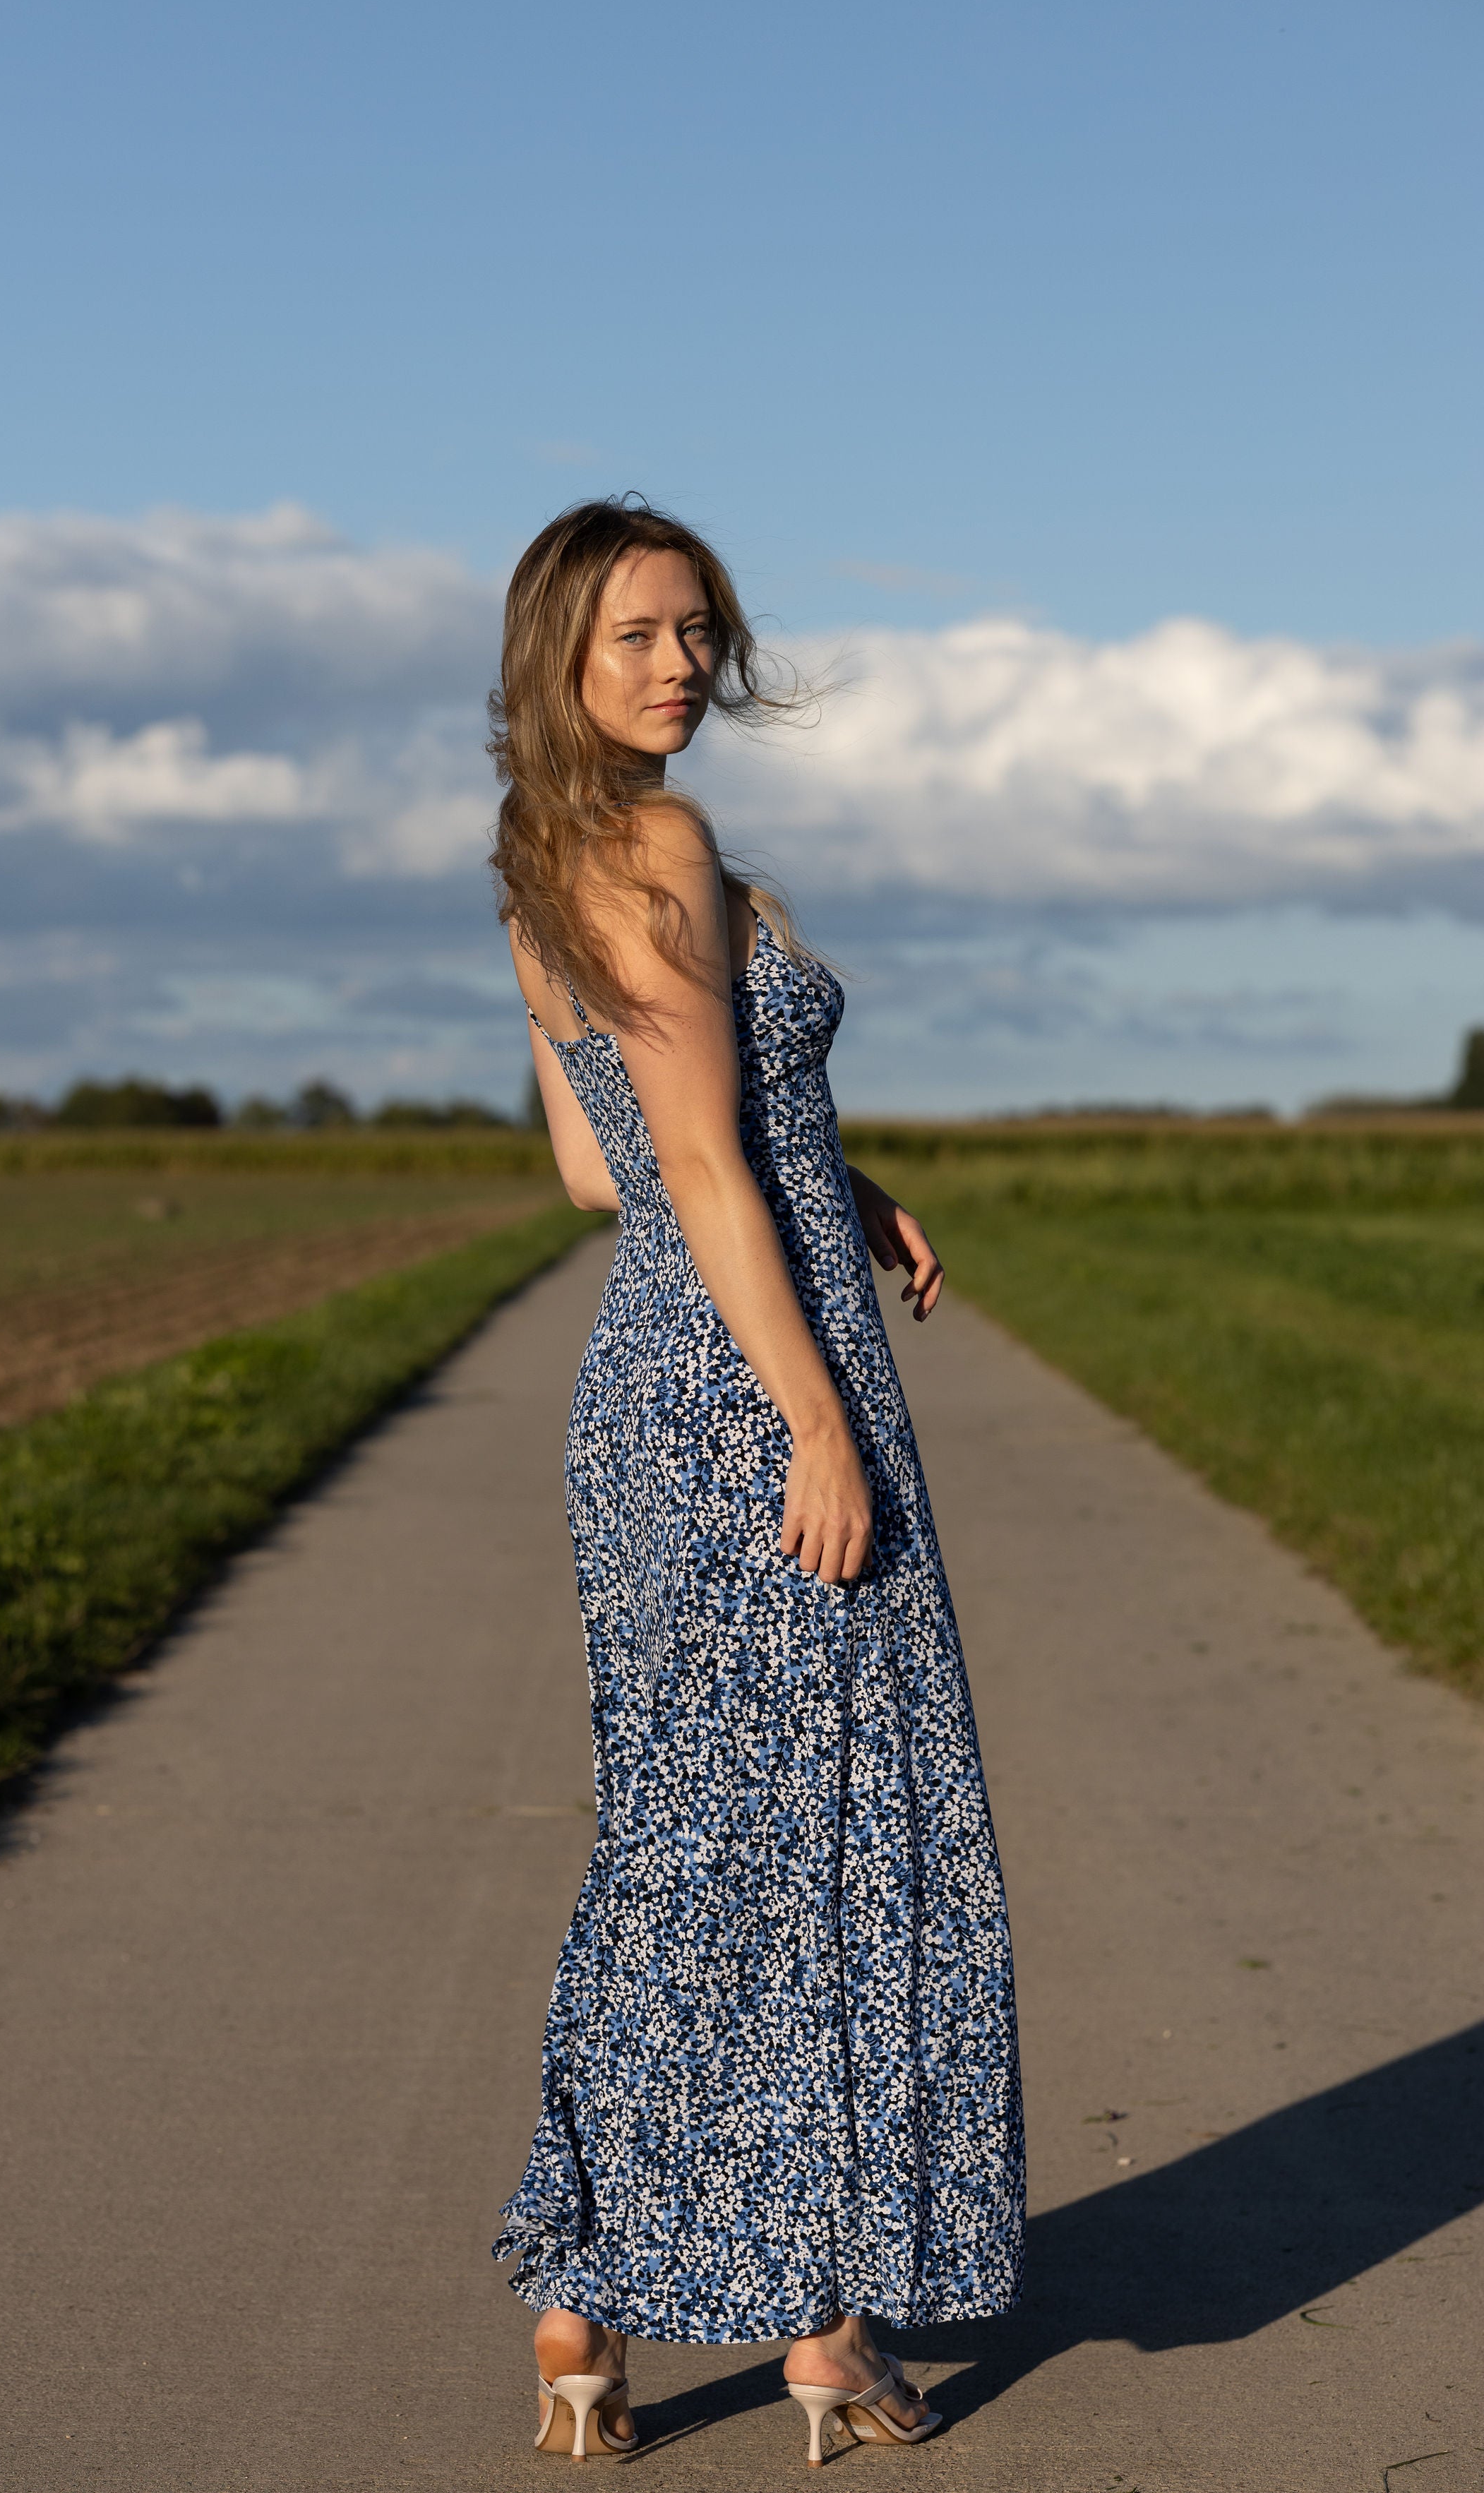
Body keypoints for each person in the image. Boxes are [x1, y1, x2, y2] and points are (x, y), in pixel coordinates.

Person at [489, 498, 1024, 2465]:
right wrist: (811, 1411)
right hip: (750, 1398)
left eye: (700, 634)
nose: (681, 668)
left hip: (644, 1387)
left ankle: (581, 2311)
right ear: (562, 648)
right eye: (640, 634)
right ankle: (819, 2335)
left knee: (686, 1844)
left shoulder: (539, 857)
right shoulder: (664, 843)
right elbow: (696, 1163)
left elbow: (598, 1165)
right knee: (825, 1856)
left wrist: (836, 1181)